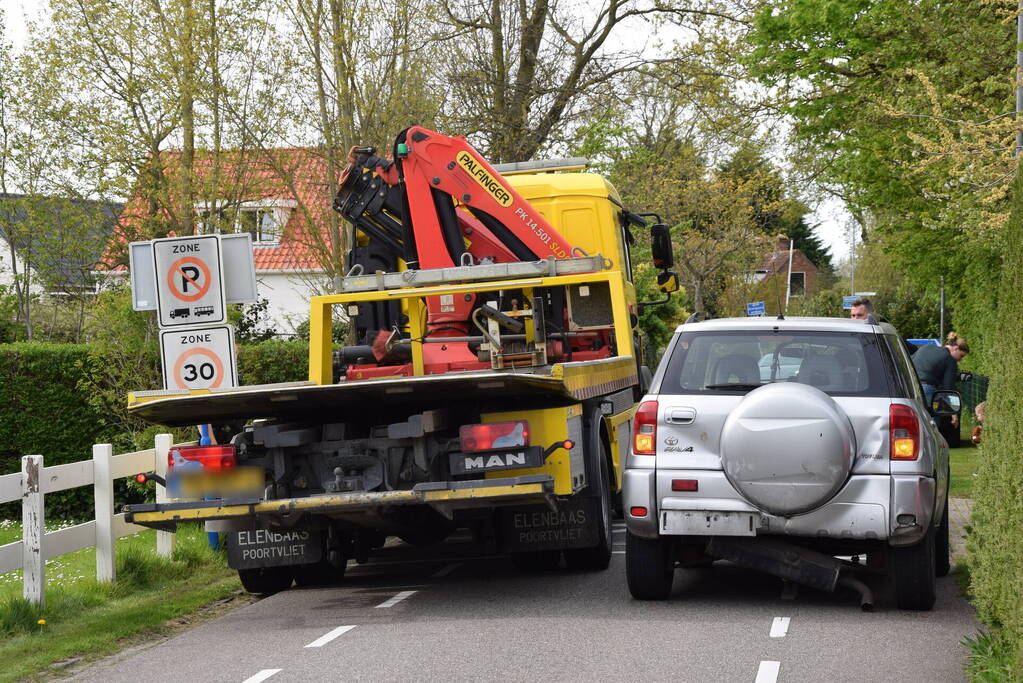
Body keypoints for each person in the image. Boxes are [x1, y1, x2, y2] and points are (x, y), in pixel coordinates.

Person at [912, 332, 970, 427]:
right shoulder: (950, 360)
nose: (960, 360)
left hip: (910, 387)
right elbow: (949, 387)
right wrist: (954, 412)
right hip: (927, 390)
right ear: (956, 348)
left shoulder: (927, 347)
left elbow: (910, 360)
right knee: (932, 423)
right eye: (961, 356)